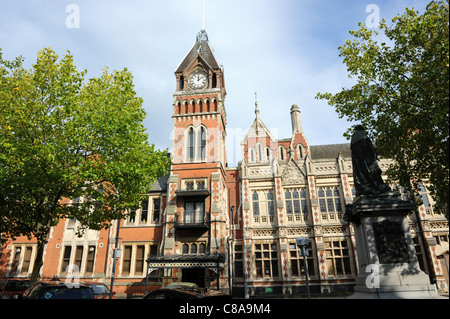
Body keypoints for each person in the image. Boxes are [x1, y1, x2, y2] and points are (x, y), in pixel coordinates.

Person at [351, 125, 391, 196]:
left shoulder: (353, 140)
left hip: (361, 166)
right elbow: (371, 151)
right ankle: (377, 186)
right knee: (373, 173)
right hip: (369, 163)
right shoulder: (364, 137)